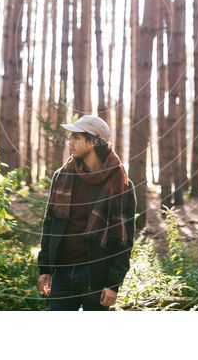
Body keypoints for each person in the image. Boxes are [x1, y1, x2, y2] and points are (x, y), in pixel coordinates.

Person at [37, 115, 136, 311]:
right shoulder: (62, 176)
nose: (70, 142)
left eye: (75, 137)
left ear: (92, 141)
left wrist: (113, 284)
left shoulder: (121, 184)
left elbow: (125, 240)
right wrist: (45, 268)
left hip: (96, 278)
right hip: (62, 274)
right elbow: (49, 224)